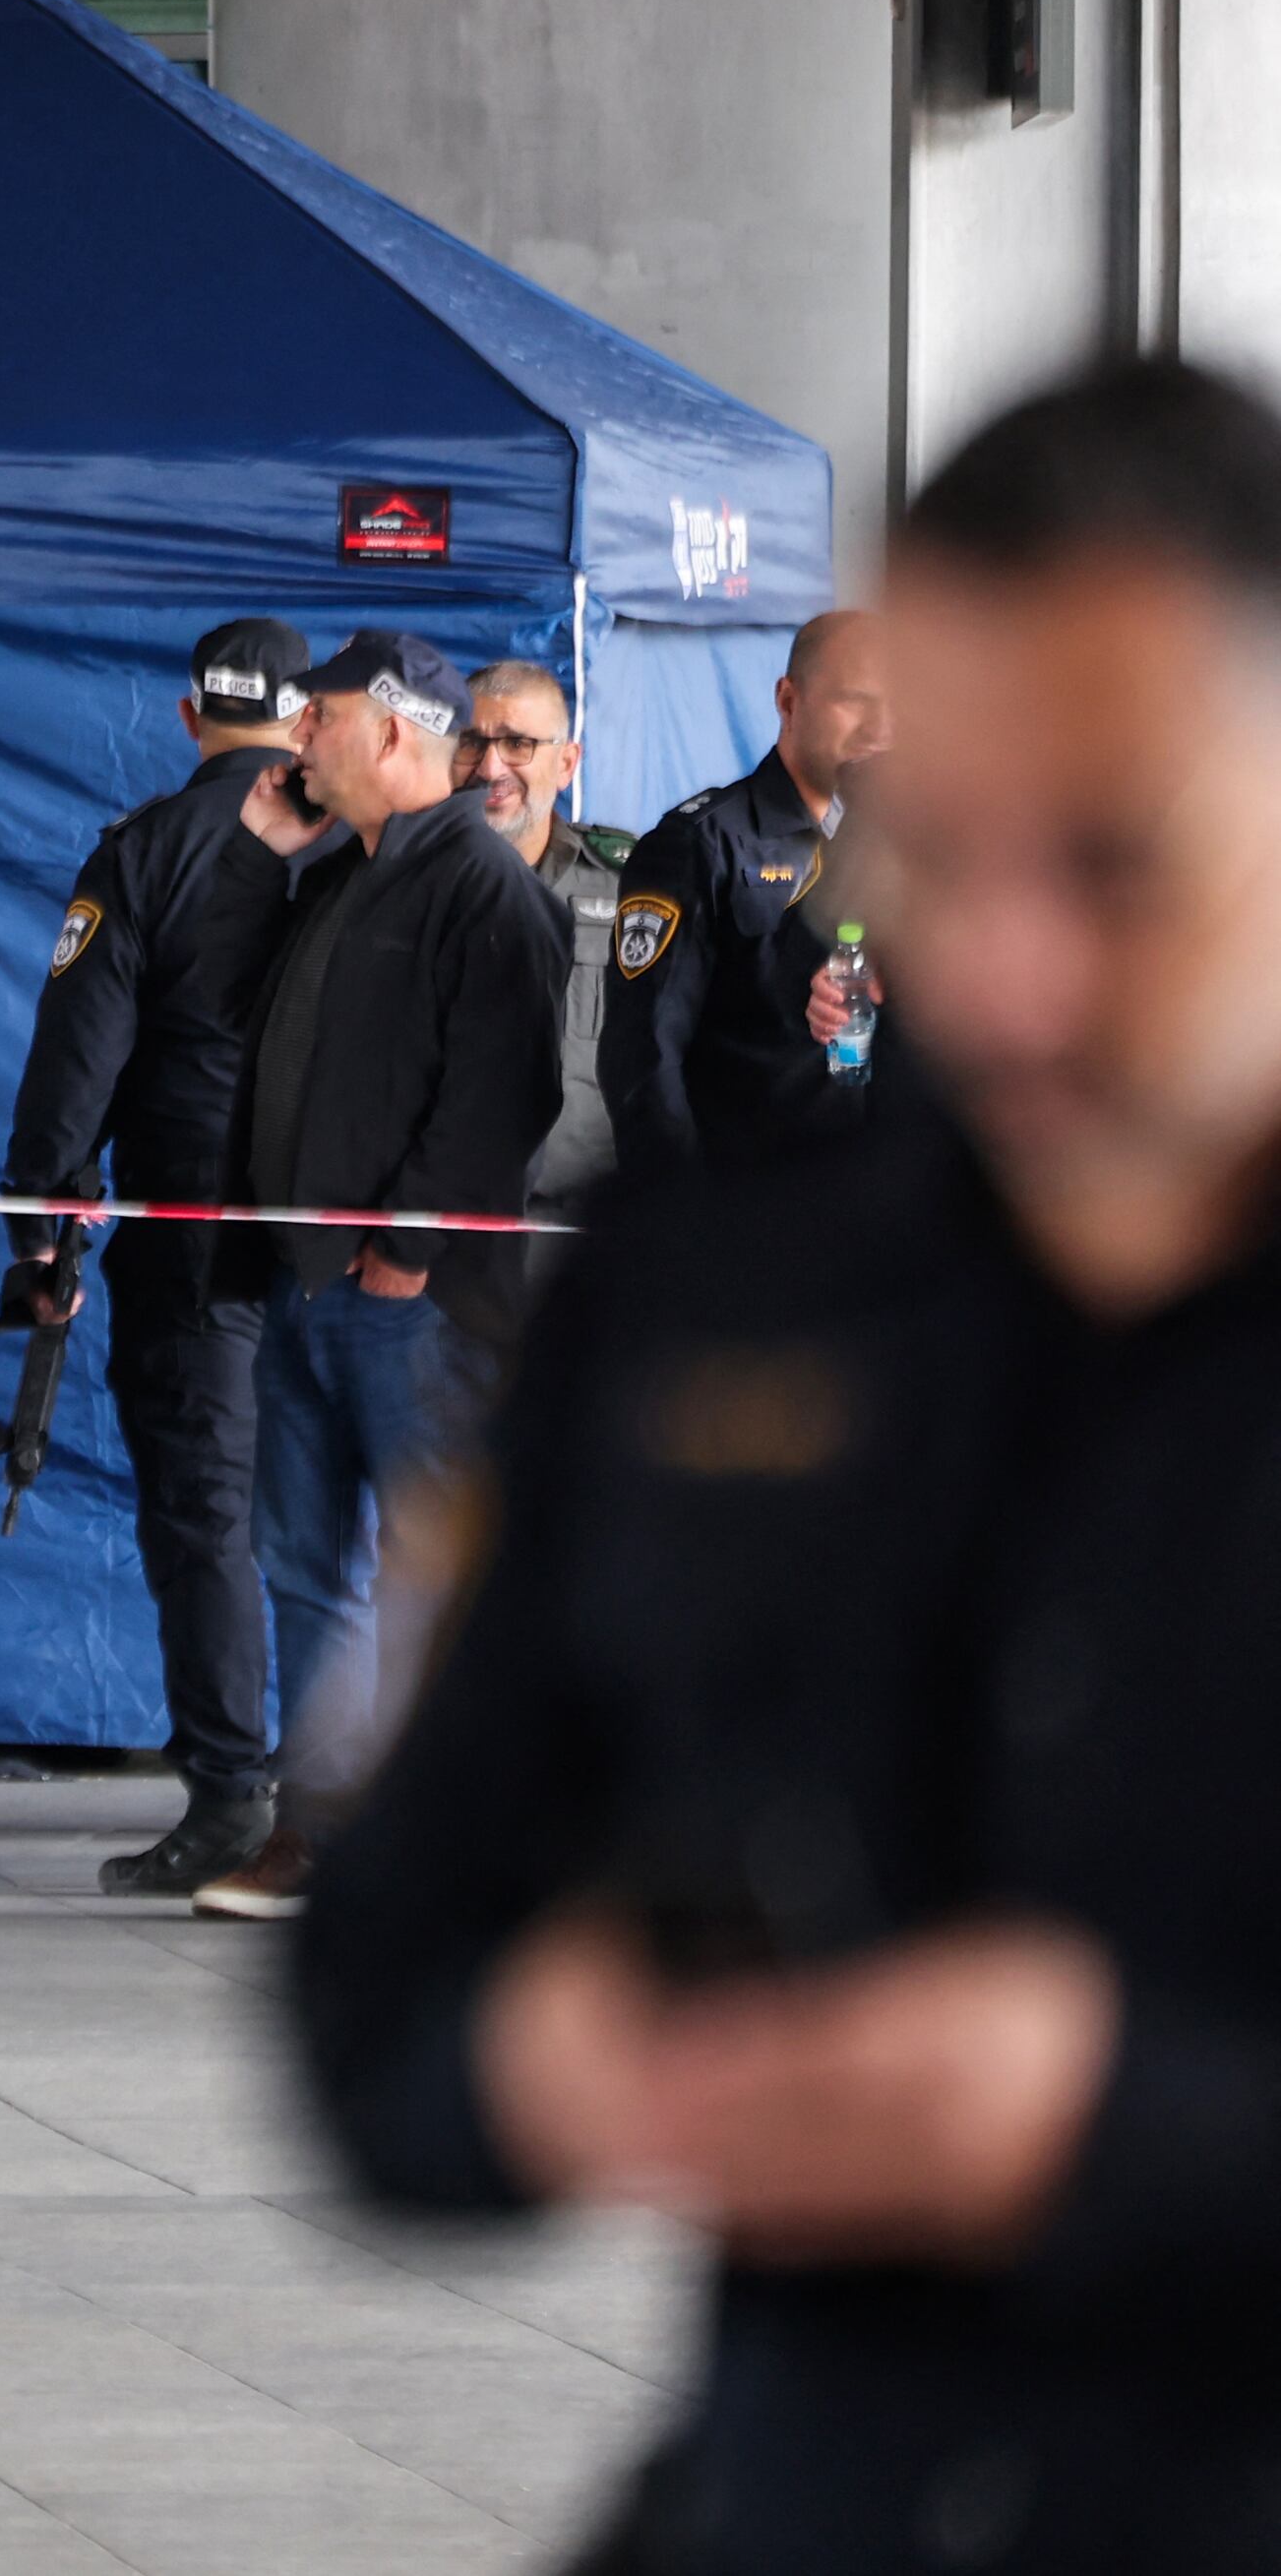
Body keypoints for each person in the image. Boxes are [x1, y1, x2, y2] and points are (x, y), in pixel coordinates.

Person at [300, 358, 1281, 2569]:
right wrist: (546, 2053)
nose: (1006, 972)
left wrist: (1111, 2114)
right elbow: (381, 1974)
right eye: (942, 855)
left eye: (1117, 862)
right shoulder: (714, 1308)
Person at [197, 630, 571, 1919]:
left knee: (436, 1575)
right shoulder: (337, 878)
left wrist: (409, 1241)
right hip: (302, 1281)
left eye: (322, 720)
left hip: (408, 1304)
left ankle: (473, 1842)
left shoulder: (481, 883)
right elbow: (221, 1009)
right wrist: (258, 858)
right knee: (304, 1564)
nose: (299, 742)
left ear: (397, 731)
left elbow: (504, 1089)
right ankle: (318, 1830)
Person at [0, 617, 337, 1898]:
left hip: (193, 1233)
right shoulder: (367, 841)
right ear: (305, 719)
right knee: (338, 1521)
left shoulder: (145, 851)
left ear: (189, 717)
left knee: (206, 1515)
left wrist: (41, 1228)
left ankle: (234, 1796)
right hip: (351, 1237)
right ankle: (342, 1798)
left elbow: (73, 1063)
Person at [600, 609, 891, 1177]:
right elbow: (644, 1052)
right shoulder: (700, 843)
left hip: (875, 1206)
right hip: (746, 1204)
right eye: (856, 699)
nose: (881, 728)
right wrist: (679, 1216)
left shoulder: (912, 852)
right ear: (788, 700)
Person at [454, 659, 632, 1232]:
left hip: (585, 1229)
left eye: (518, 744)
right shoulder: (405, 881)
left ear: (567, 762)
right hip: (439, 1229)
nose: (489, 766)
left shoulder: (629, 883)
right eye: (471, 743)